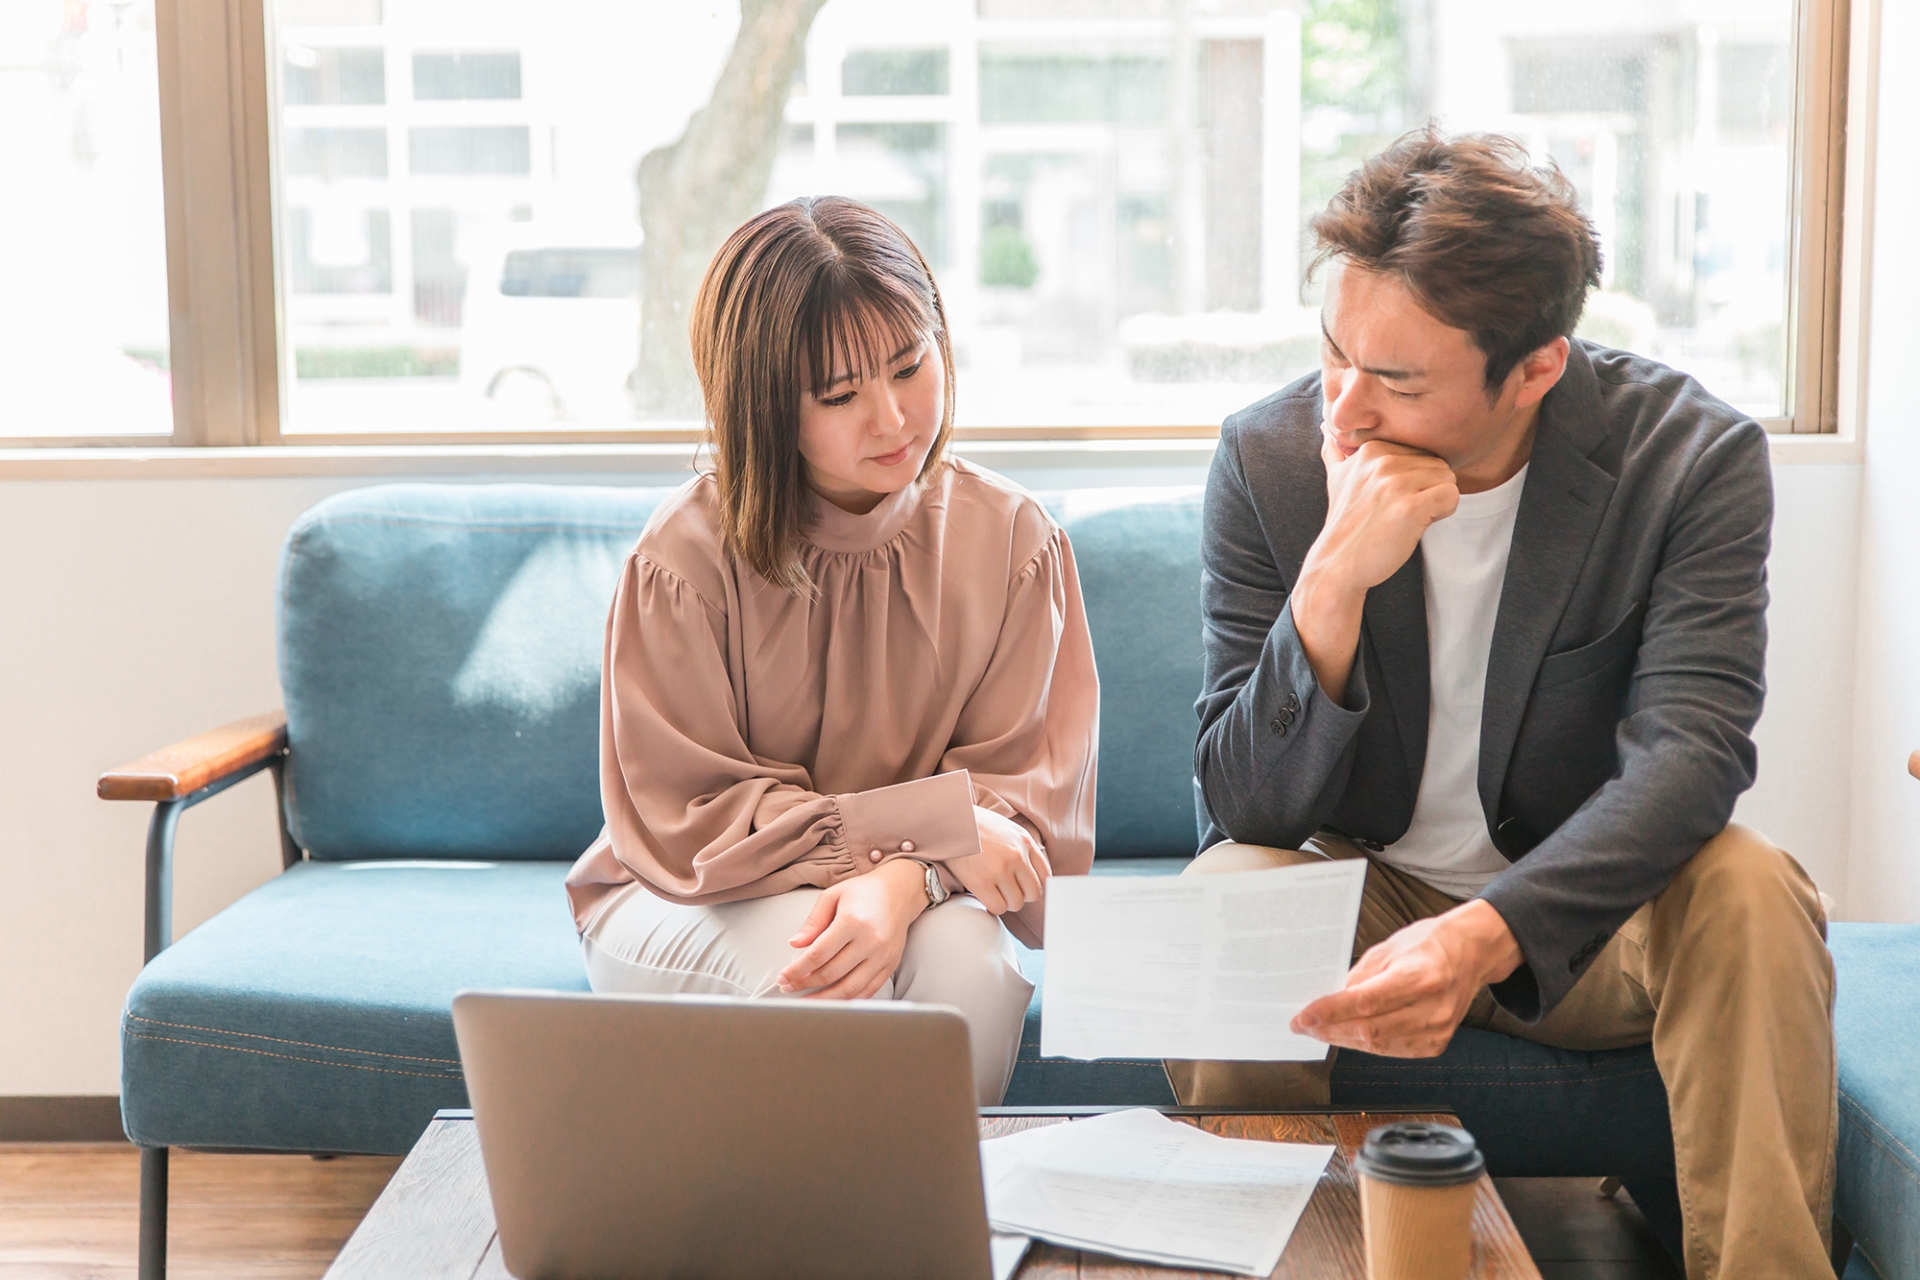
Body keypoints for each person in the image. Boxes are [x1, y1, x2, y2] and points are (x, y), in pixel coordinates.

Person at [1180, 128, 1833, 1279]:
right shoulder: (1273, 458)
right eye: (1334, 351)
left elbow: (1692, 755)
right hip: (1367, 890)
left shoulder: (1689, 459)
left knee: (1750, 885)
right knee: (1227, 897)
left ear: (1535, 369)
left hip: (1586, 918)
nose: (1344, 409)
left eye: (1398, 380)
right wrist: (1331, 579)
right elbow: (1243, 810)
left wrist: (1486, 936)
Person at [564, 196, 1098, 1106]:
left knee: (972, 969)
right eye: (840, 396)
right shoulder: (685, 559)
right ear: (766, 406)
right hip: (685, 897)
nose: (892, 420)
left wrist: (904, 881)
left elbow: (1024, 813)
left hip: (931, 891)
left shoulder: (1014, 540)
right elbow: (694, 821)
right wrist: (935, 833)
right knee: (822, 975)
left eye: (910, 366)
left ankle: (934, 1231)